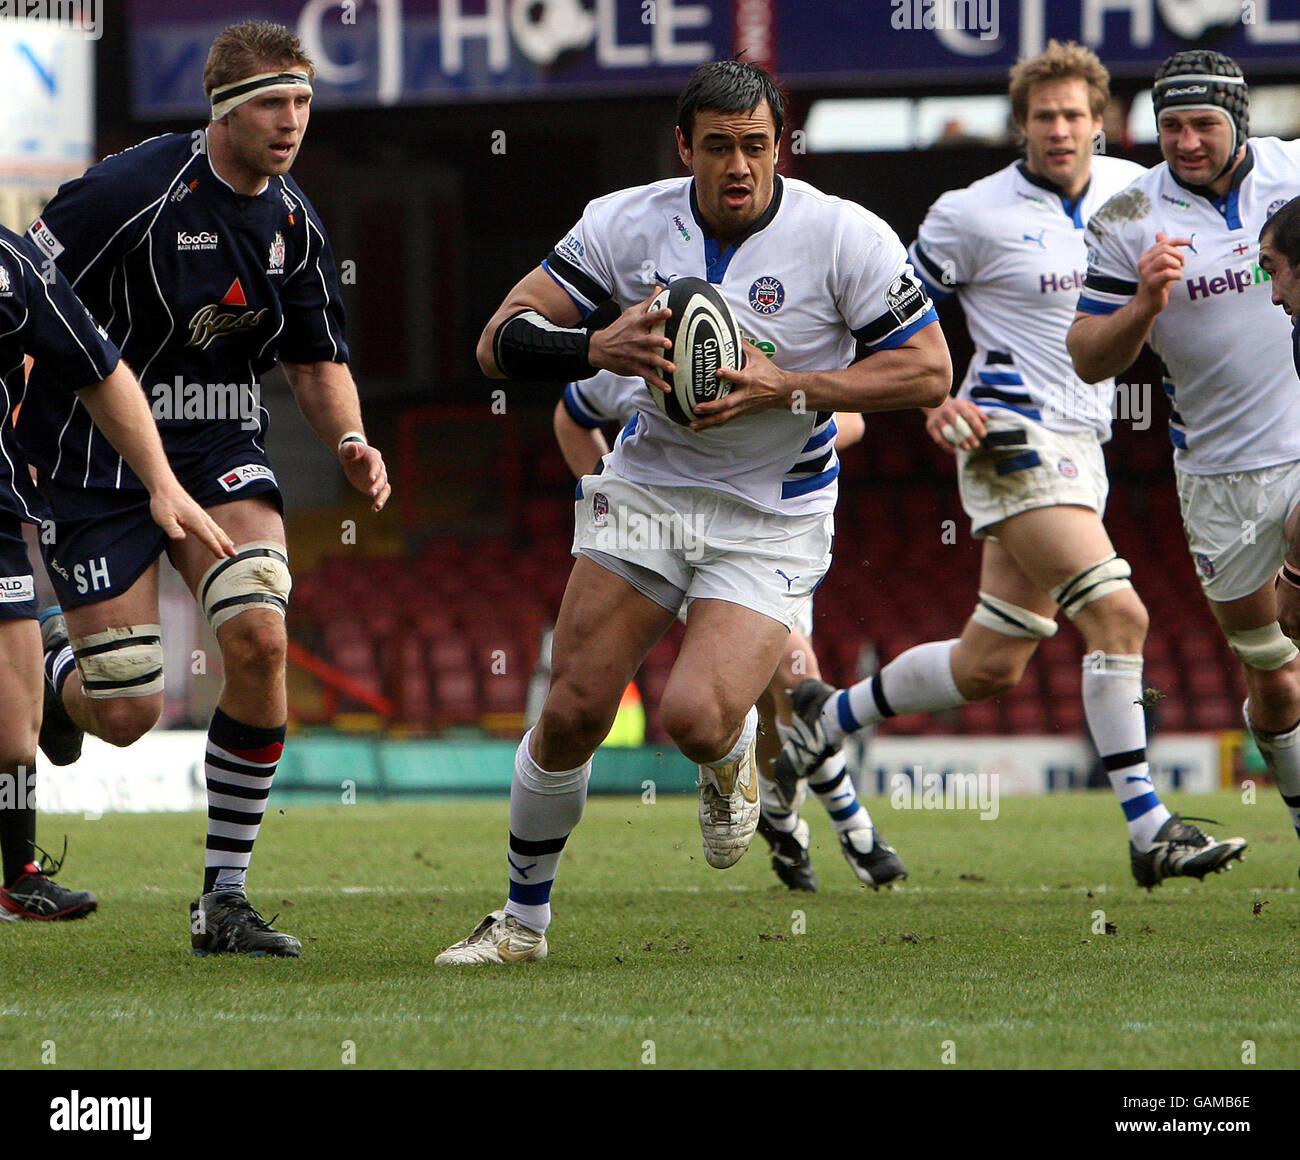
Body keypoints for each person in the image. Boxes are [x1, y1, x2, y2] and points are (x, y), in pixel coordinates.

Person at [436, 58, 948, 965]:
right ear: (685, 148)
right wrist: (593, 341)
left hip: (773, 511)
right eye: (719, 148)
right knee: (571, 712)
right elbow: (496, 342)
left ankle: (730, 756)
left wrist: (788, 386)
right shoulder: (624, 223)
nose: (740, 166)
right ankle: (522, 924)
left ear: (782, 147)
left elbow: (927, 370)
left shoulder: (846, 237)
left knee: (694, 718)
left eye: (756, 146)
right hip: (649, 492)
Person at [774, 40, 1247, 887]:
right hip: (1005, 436)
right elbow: (892, 312)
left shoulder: (1138, 196)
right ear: (1020, 124)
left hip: (1085, 445)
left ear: (1100, 123)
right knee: (1121, 617)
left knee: (989, 663)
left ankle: (824, 715)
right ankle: (1150, 830)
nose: (1059, 129)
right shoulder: (970, 212)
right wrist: (929, 398)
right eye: (1043, 116)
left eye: (1073, 115)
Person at [19, 19, 390, 955]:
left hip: (219, 441)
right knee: (129, 712)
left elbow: (315, 357)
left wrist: (348, 438)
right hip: (92, 458)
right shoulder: (124, 192)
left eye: (303, 101)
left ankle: (224, 898)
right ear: (222, 111)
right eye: (272, 102)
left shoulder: (296, 222)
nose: (292, 120)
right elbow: (19, 287)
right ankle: (60, 678)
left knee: (260, 631)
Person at [1069, 50, 1300, 875]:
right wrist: (1143, 303)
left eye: (1204, 123)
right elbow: (1089, 359)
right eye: (1171, 125)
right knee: (1274, 680)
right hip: (1219, 481)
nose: (1188, 141)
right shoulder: (1125, 215)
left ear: (1240, 119)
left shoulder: (1294, 170)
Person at [554, 370, 904, 892]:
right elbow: (571, 414)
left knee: (770, 710)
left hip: (771, 535)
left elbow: (851, 420)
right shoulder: (635, 363)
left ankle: (782, 823)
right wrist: (615, 509)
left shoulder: (776, 354)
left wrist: (783, 412)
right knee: (797, 683)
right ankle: (856, 828)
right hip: (686, 553)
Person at [0, 224, 234, 920]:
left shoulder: (15, 266)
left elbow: (100, 370)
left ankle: (20, 876)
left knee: (12, 737)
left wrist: (160, 480)